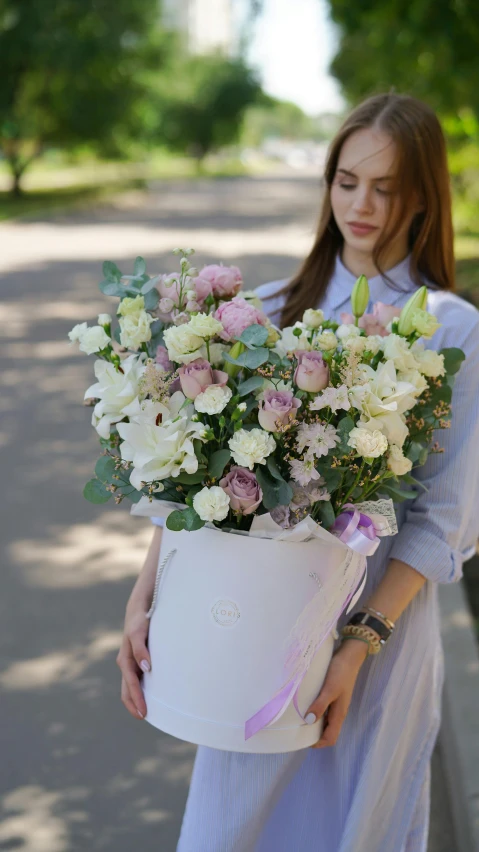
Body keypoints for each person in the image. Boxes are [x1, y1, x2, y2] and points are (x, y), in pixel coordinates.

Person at [116, 92, 479, 852]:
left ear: (422, 196)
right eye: (347, 180)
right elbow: (198, 485)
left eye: (387, 187)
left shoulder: (449, 328)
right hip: (255, 624)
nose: (363, 203)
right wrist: (146, 595)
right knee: (227, 831)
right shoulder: (268, 315)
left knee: (353, 830)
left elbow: (439, 518)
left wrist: (354, 648)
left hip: (377, 638)